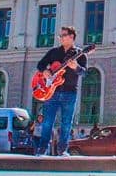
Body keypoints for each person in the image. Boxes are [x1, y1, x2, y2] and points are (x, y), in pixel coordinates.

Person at [36, 26, 88, 156]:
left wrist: (76, 67)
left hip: (70, 92)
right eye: (60, 35)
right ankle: (42, 150)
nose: (60, 38)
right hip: (51, 92)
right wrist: (45, 71)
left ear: (71, 37)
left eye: (63, 35)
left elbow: (84, 73)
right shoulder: (54, 52)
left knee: (66, 123)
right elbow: (40, 64)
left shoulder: (80, 54)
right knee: (47, 122)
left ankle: (62, 150)